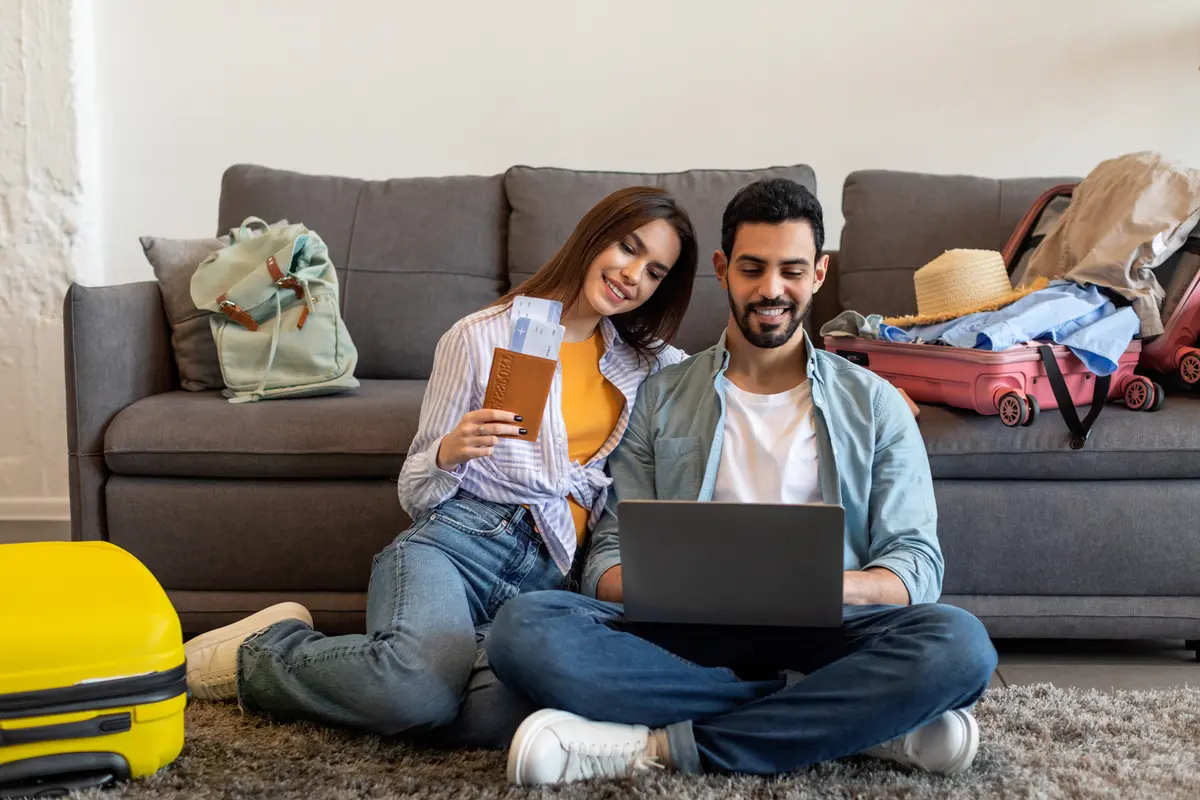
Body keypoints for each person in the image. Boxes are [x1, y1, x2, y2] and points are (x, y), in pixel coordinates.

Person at [485, 178, 999, 785]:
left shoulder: (876, 404)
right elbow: (607, 559)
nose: (771, 289)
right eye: (752, 269)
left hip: (830, 630)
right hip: (685, 635)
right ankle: (843, 718)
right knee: (523, 629)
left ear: (818, 274)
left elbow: (916, 566)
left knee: (961, 645)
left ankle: (656, 747)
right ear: (723, 269)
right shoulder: (661, 395)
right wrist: (684, 588)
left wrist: (820, 587)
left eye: (792, 271)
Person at [182, 186, 699, 749]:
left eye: (654, 272)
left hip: (550, 583)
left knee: (501, 715)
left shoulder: (646, 366)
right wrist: (447, 453)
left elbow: (724, 374)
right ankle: (264, 652)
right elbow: (415, 490)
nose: (632, 275)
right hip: (460, 547)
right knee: (413, 693)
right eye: (628, 248)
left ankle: (413, 666)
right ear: (594, 236)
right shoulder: (478, 336)